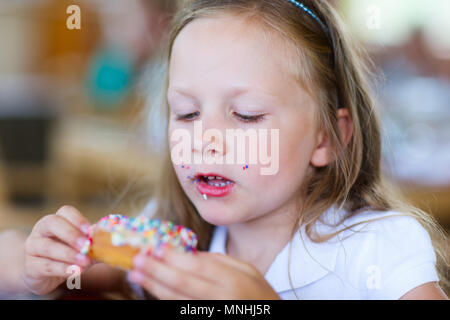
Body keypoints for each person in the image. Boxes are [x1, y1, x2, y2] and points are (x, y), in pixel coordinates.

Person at [19, 0, 448, 299]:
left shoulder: (378, 248)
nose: (205, 139)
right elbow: (85, 278)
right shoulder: (175, 233)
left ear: (326, 138)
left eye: (245, 115)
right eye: (186, 113)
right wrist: (44, 268)